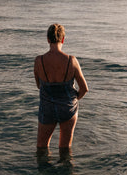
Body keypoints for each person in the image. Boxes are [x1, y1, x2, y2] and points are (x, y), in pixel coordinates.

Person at [34, 23, 88, 151]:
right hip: (68, 108)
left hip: (47, 107)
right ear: (63, 39)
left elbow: (38, 85)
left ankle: (44, 170)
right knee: (65, 149)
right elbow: (84, 89)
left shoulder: (39, 61)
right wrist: (72, 100)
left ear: (48, 39)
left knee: (42, 147)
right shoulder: (71, 60)